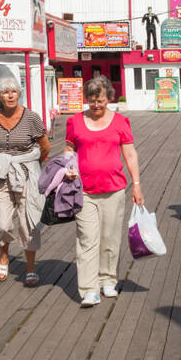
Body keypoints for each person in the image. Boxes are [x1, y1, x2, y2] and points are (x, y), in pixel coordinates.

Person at [64, 75, 144, 307]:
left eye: (100, 100)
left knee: (110, 238)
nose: (96, 105)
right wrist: (69, 166)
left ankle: (108, 279)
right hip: (84, 190)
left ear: (108, 98)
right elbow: (69, 148)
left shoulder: (120, 122)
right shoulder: (75, 121)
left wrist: (136, 184)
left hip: (114, 189)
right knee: (87, 239)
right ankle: (89, 289)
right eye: (91, 100)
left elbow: (129, 154)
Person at [0, 76, 51, 285]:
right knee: (1, 222)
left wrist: (28, 163)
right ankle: (4, 256)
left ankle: (30, 267)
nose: (10, 95)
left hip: (27, 173)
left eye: (13, 91)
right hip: (0, 174)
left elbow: (45, 146)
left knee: (28, 221)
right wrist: (5, 162)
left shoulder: (31, 117)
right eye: (5, 92)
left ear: (19, 94)